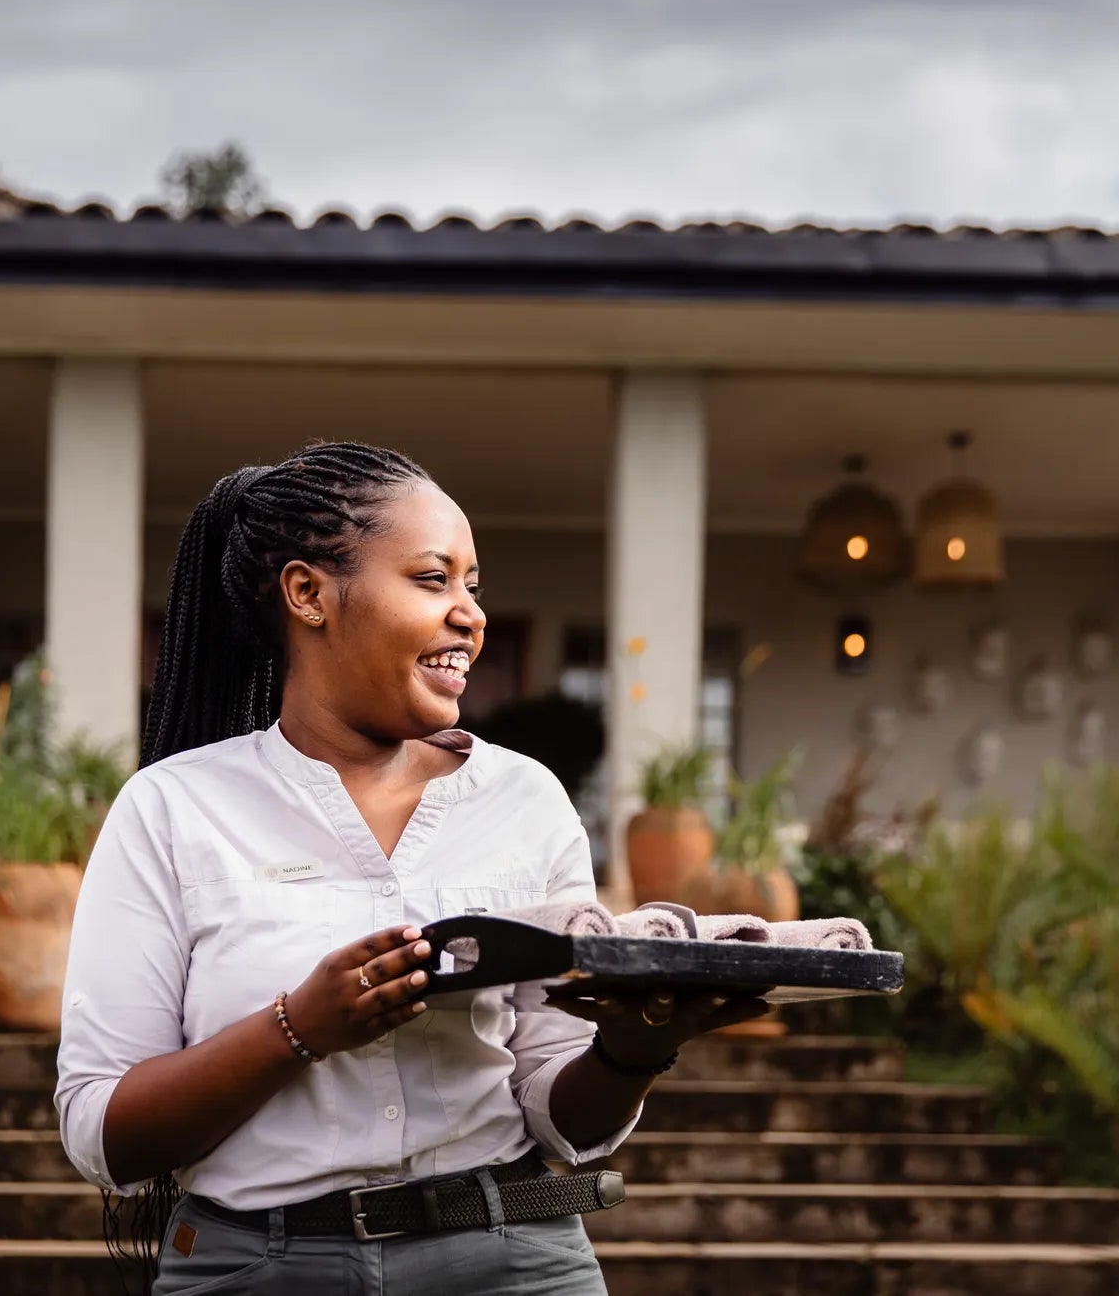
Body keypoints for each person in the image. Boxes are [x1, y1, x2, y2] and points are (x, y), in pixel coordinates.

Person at [55, 442, 766, 1295]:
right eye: (434, 580)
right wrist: (298, 1027)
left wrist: (632, 1050)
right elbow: (104, 1132)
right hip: (258, 1270)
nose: (469, 614)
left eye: (474, 585)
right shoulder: (172, 809)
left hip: (513, 1257)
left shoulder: (524, 799)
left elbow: (557, 1110)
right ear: (308, 593)